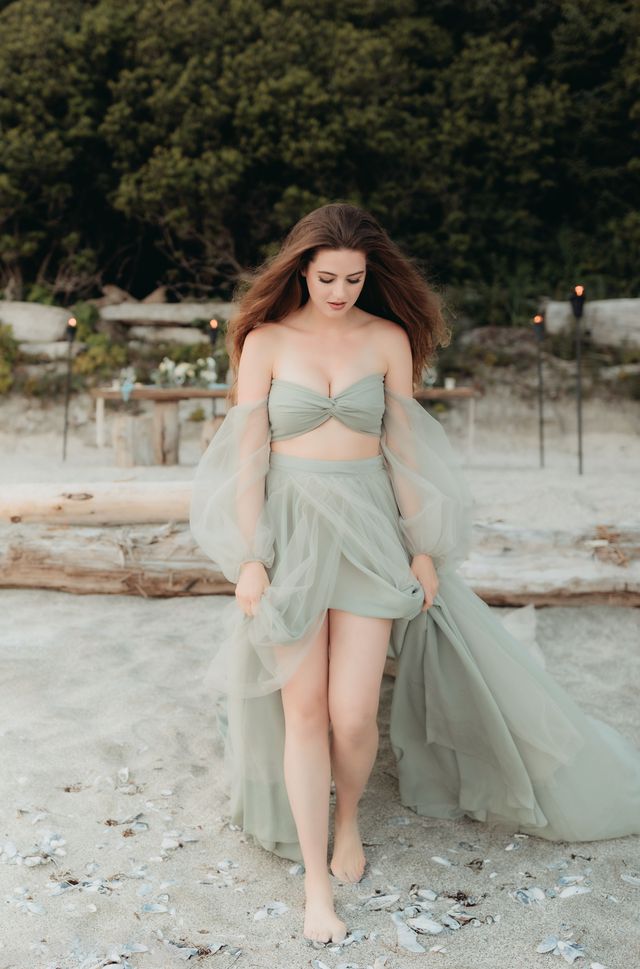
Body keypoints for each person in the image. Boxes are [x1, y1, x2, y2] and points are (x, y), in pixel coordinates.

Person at [191, 202, 640, 945]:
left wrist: (423, 545)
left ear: (371, 275)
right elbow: (247, 460)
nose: (340, 290)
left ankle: (347, 820)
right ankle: (313, 882)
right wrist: (249, 558)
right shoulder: (265, 341)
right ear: (301, 268)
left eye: (354, 278)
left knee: (354, 712)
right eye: (328, 276)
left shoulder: (388, 338)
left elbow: (404, 449)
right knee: (304, 711)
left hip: (369, 531)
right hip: (294, 536)